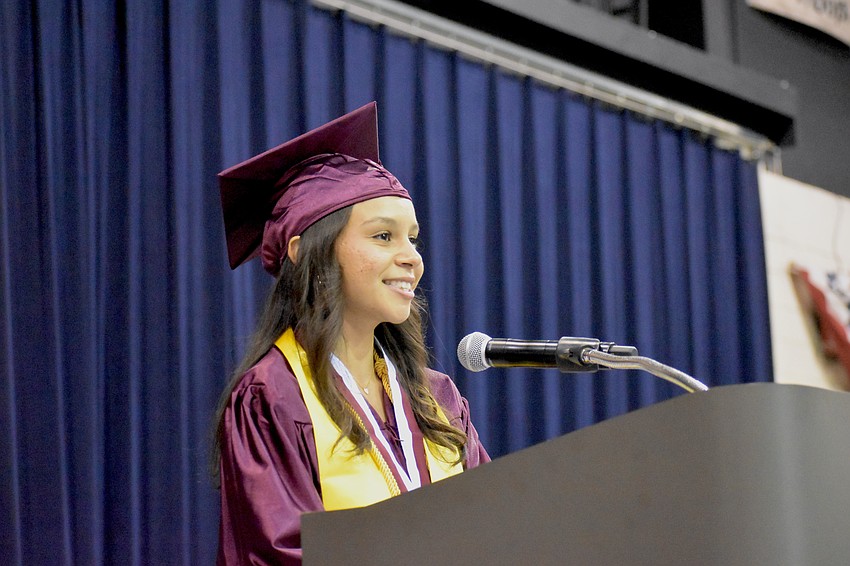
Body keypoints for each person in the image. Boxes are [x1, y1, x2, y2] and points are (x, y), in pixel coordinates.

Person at [211, 102, 489, 565]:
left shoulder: (439, 399)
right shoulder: (273, 398)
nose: (411, 257)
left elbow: (497, 528)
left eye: (412, 238)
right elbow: (282, 555)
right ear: (305, 253)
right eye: (384, 236)